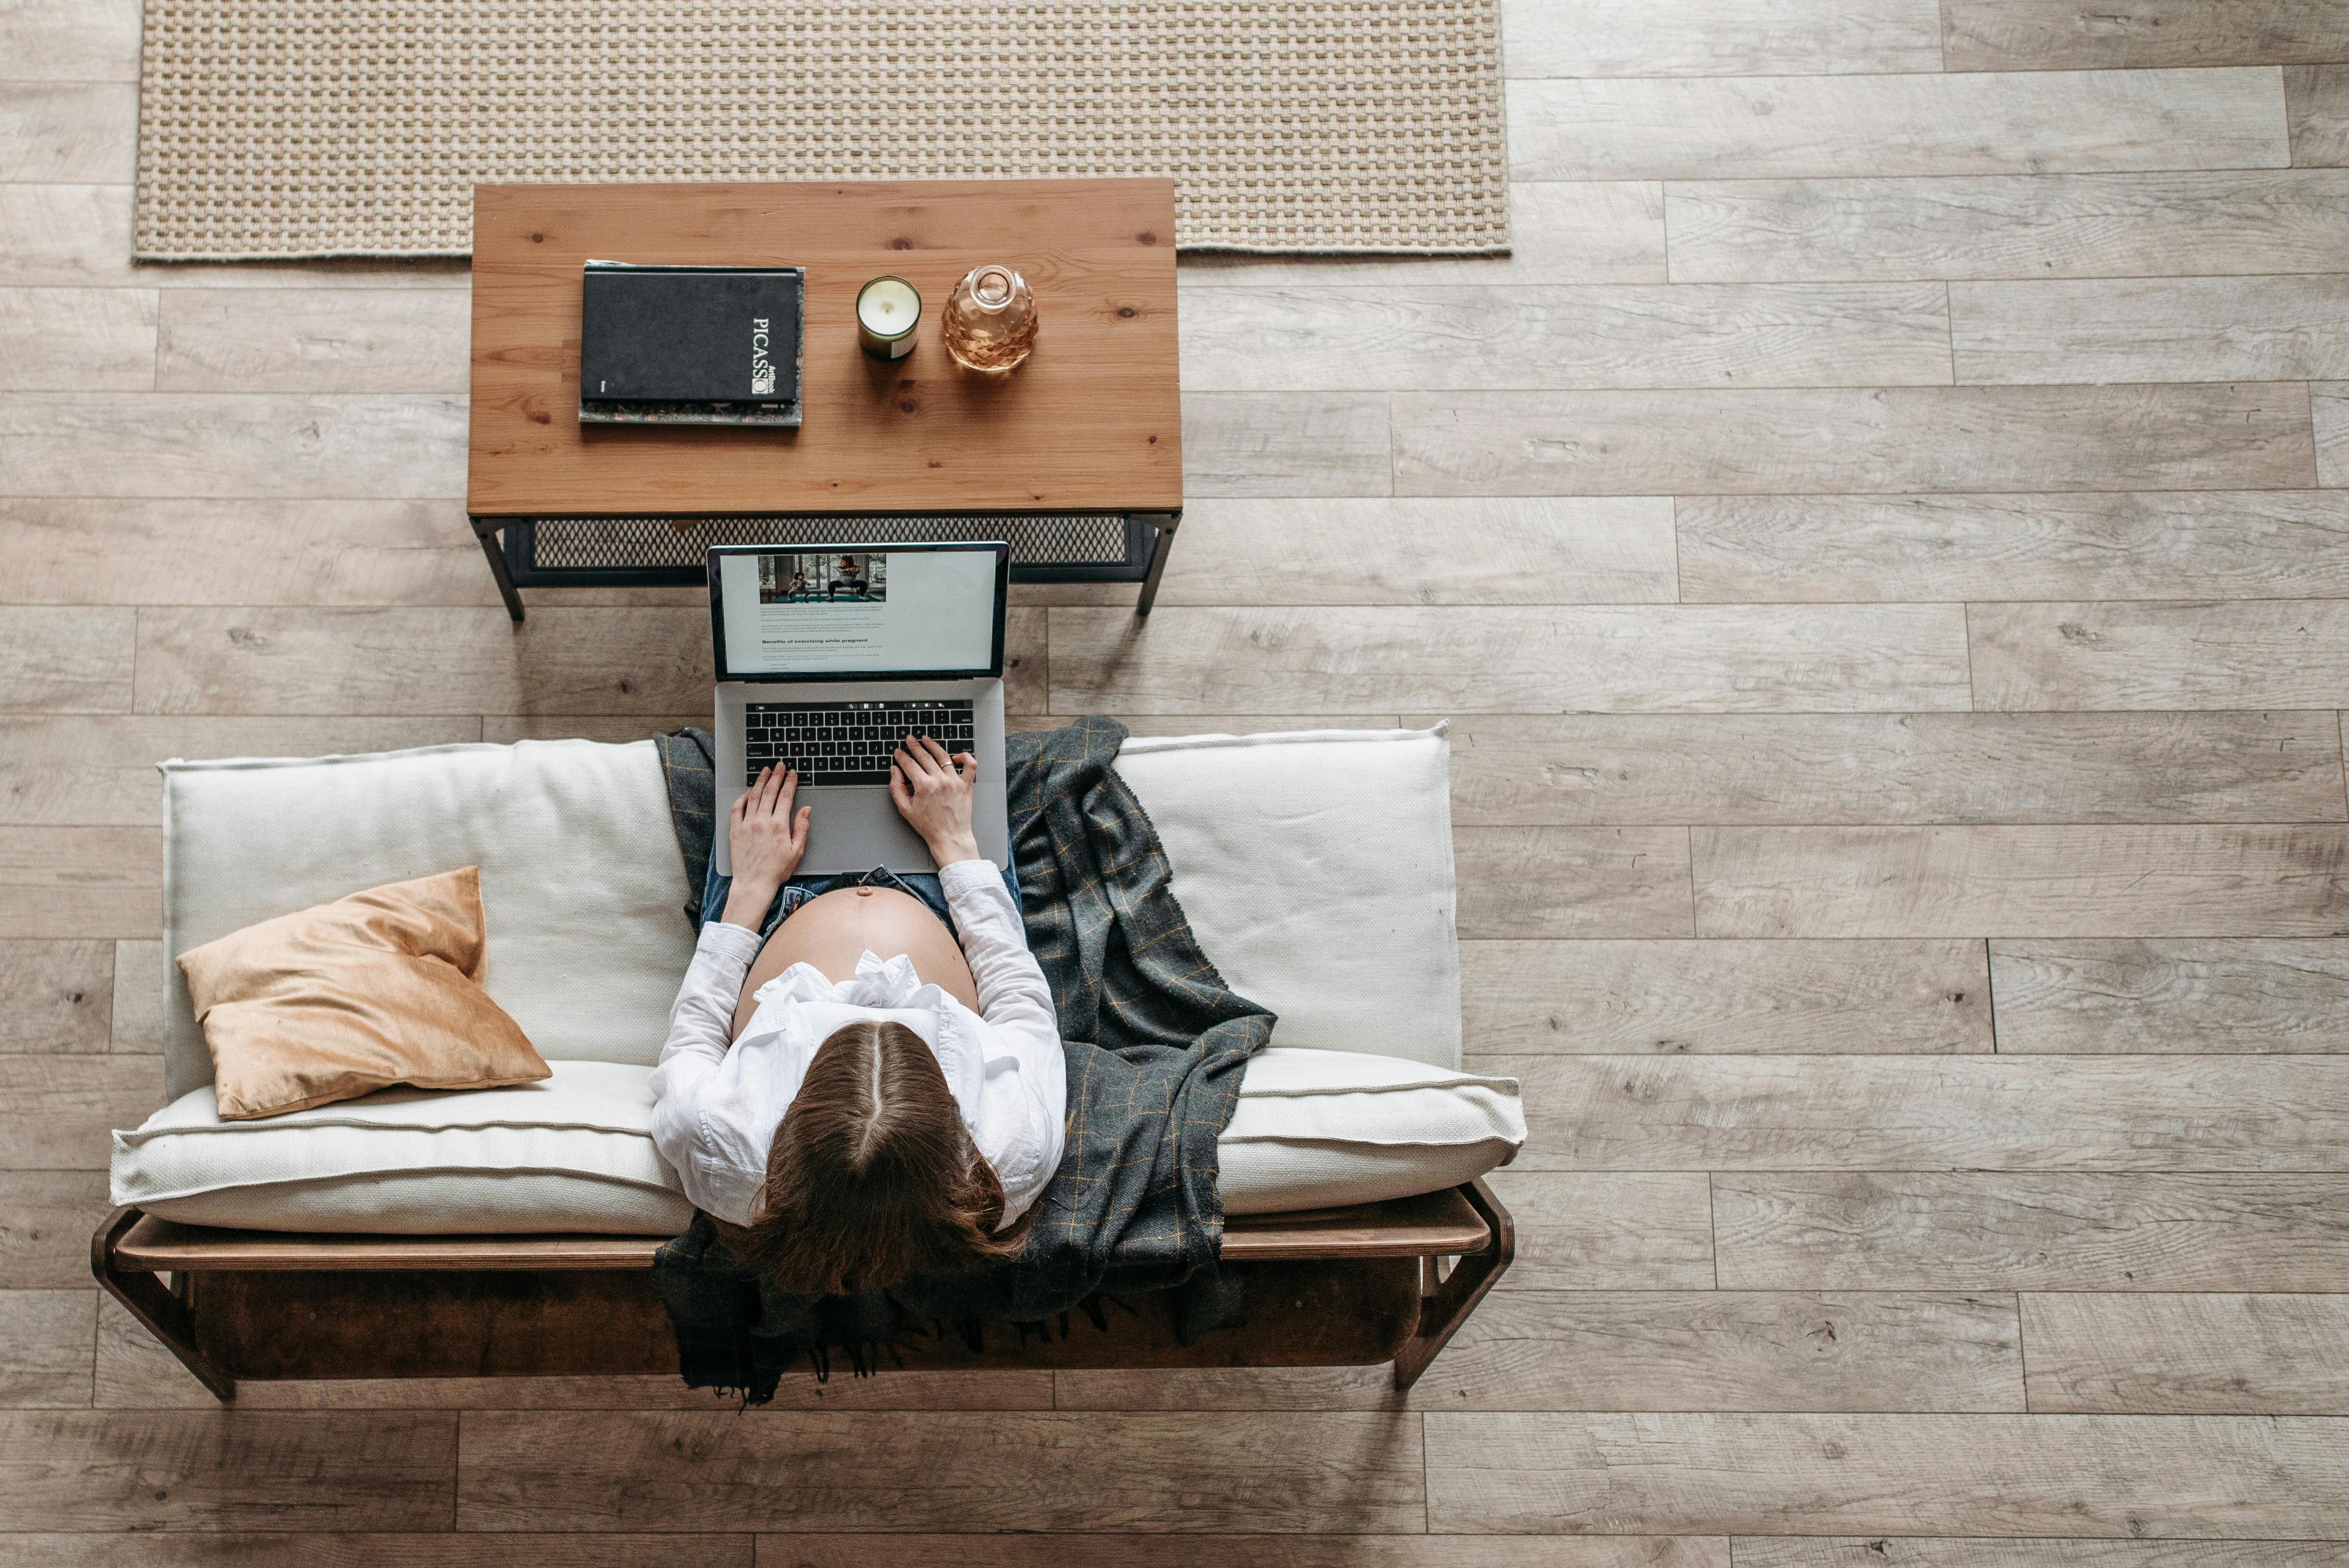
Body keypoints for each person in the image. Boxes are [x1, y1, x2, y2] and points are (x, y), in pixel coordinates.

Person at [650, 736, 1063, 1297]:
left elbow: (695, 1037)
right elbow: (1018, 999)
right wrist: (955, 844)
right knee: (947, 750)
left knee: (763, 742)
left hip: (769, 901)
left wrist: (749, 887)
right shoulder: (1011, 1155)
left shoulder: (723, 1150)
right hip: (941, 893)